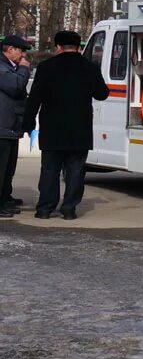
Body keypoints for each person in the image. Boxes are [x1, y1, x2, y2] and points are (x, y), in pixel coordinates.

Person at [22, 30, 108, 220]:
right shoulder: (90, 67)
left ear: (58, 47)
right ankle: (69, 208)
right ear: (78, 47)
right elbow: (102, 93)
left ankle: (44, 209)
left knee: (49, 170)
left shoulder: (46, 67)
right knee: (75, 170)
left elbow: (34, 99)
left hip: (52, 128)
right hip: (80, 128)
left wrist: (27, 123)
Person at [0, 34, 32, 217]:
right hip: (3, 126)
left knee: (8, 169)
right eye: (20, 51)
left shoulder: (9, 67)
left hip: (10, 126)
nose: (23, 56)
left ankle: (5, 198)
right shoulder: (3, 68)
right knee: (1, 168)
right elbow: (16, 86)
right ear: (10, 49)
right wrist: (23, 70)